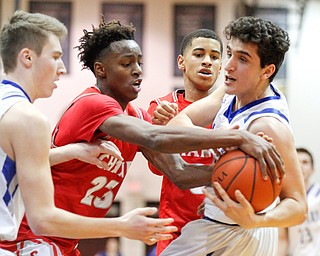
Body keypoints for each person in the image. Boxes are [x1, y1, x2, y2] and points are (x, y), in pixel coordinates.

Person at [0, 16, 285, 255]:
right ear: (101, 70)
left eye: (139, 62)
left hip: (67, 238)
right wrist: (237, 139)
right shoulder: (93, 104)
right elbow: (154, 137)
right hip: (31, 234)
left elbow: (180, 173)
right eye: (126, 64)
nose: (137, 71)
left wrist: (231, 171)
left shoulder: (136, 115)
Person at [0, 10, 177, 256]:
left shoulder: (10, 107)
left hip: (57, 241)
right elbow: (43, 218)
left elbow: (23, 159)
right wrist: (122, 226)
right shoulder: (31, 116)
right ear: (27, 58)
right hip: (31, 239)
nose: (62, 68)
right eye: (55, 57)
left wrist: (72, 151)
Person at [160, 16, 307, 256]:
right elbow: (178, 123)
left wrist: (256, 221)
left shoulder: (268, 126)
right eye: (230, 53)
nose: (228, 66)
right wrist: (222, 137)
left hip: (242, 234)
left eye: (243, 59)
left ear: (267, 71)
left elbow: (299, 207)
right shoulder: (230, 92)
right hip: (216, 224)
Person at [147, 28, 223, 255]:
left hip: (222, 225)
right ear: (181, 62)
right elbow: (155, 168)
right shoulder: (162, 107)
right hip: (176, 230)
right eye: (199, 54)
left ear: (221, 67)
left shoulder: (231, 109)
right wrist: (161, 130)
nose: (207, 62)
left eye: (215, 56)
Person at [278, 147, 320, 256]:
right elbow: (282, 239)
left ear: (312, 169)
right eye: (296, 161)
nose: (301, 166)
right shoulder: (283, 198)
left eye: (305, 162)